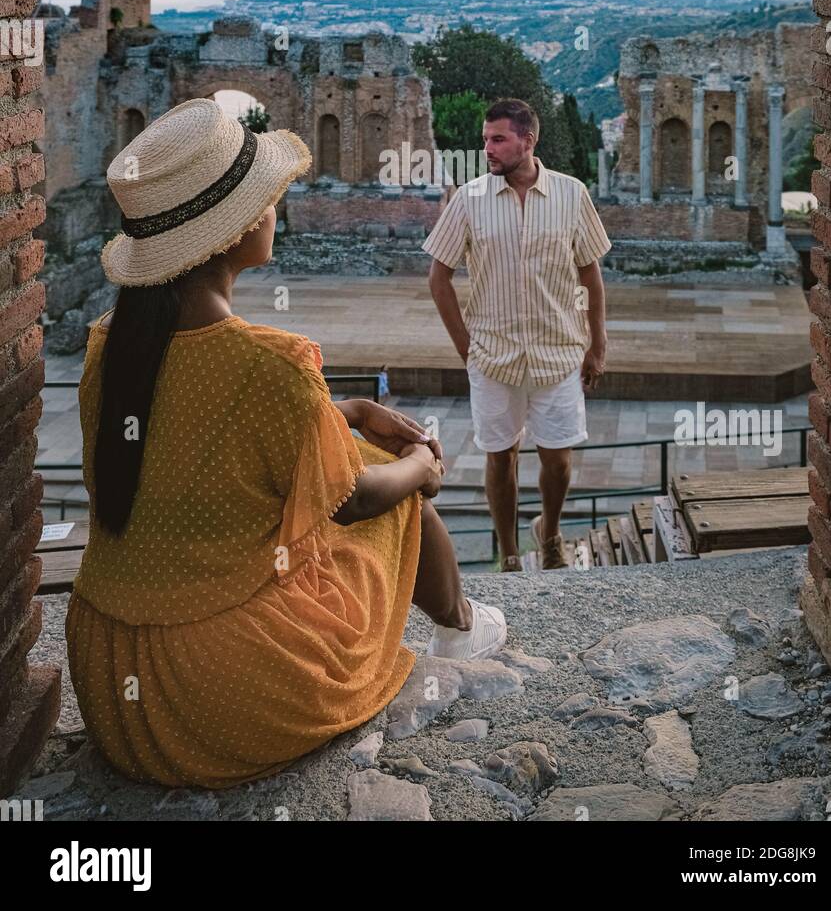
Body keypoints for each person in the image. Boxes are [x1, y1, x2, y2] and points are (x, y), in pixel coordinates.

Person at [65, 97, 507, 790]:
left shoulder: (108, 347)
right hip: (222, 689)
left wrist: (352, 408)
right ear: (234, 228)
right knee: (383, 479)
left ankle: (461, 621)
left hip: (112, 682)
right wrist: (420, 466)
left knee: (343, 451)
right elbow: (355, 502)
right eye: (264, 198)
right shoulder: (271, 362)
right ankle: (460, 627)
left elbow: (197, 422)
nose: (276, 208)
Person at [423, 98, 611, 571]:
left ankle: (549, 533)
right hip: (493, 358)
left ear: (529, 141)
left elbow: (590, 273)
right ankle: (508, 553)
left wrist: (598, 343)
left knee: (559, 461)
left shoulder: (571, 195)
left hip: (558, 353)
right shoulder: (469, 200)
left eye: (498, 139)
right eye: (485, 139)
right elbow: (437, 277)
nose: (487, 148)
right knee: (500, 460)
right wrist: (465, 345)